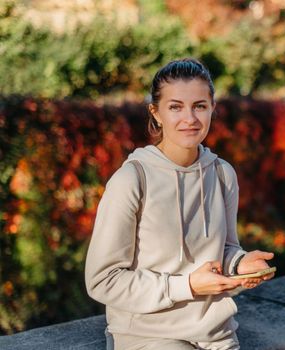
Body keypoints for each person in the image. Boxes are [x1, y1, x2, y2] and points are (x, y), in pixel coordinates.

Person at [85, 58, 275, 350]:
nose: (190, 119)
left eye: (199, 106)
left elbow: (223, 249)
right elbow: (103, 280)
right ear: (156, 113)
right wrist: (186, 286)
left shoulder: (222, 174)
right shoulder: (132, 180)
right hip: (149, 337)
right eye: (175, 107)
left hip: (217, 335)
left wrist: (240, 264)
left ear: (213, 108)